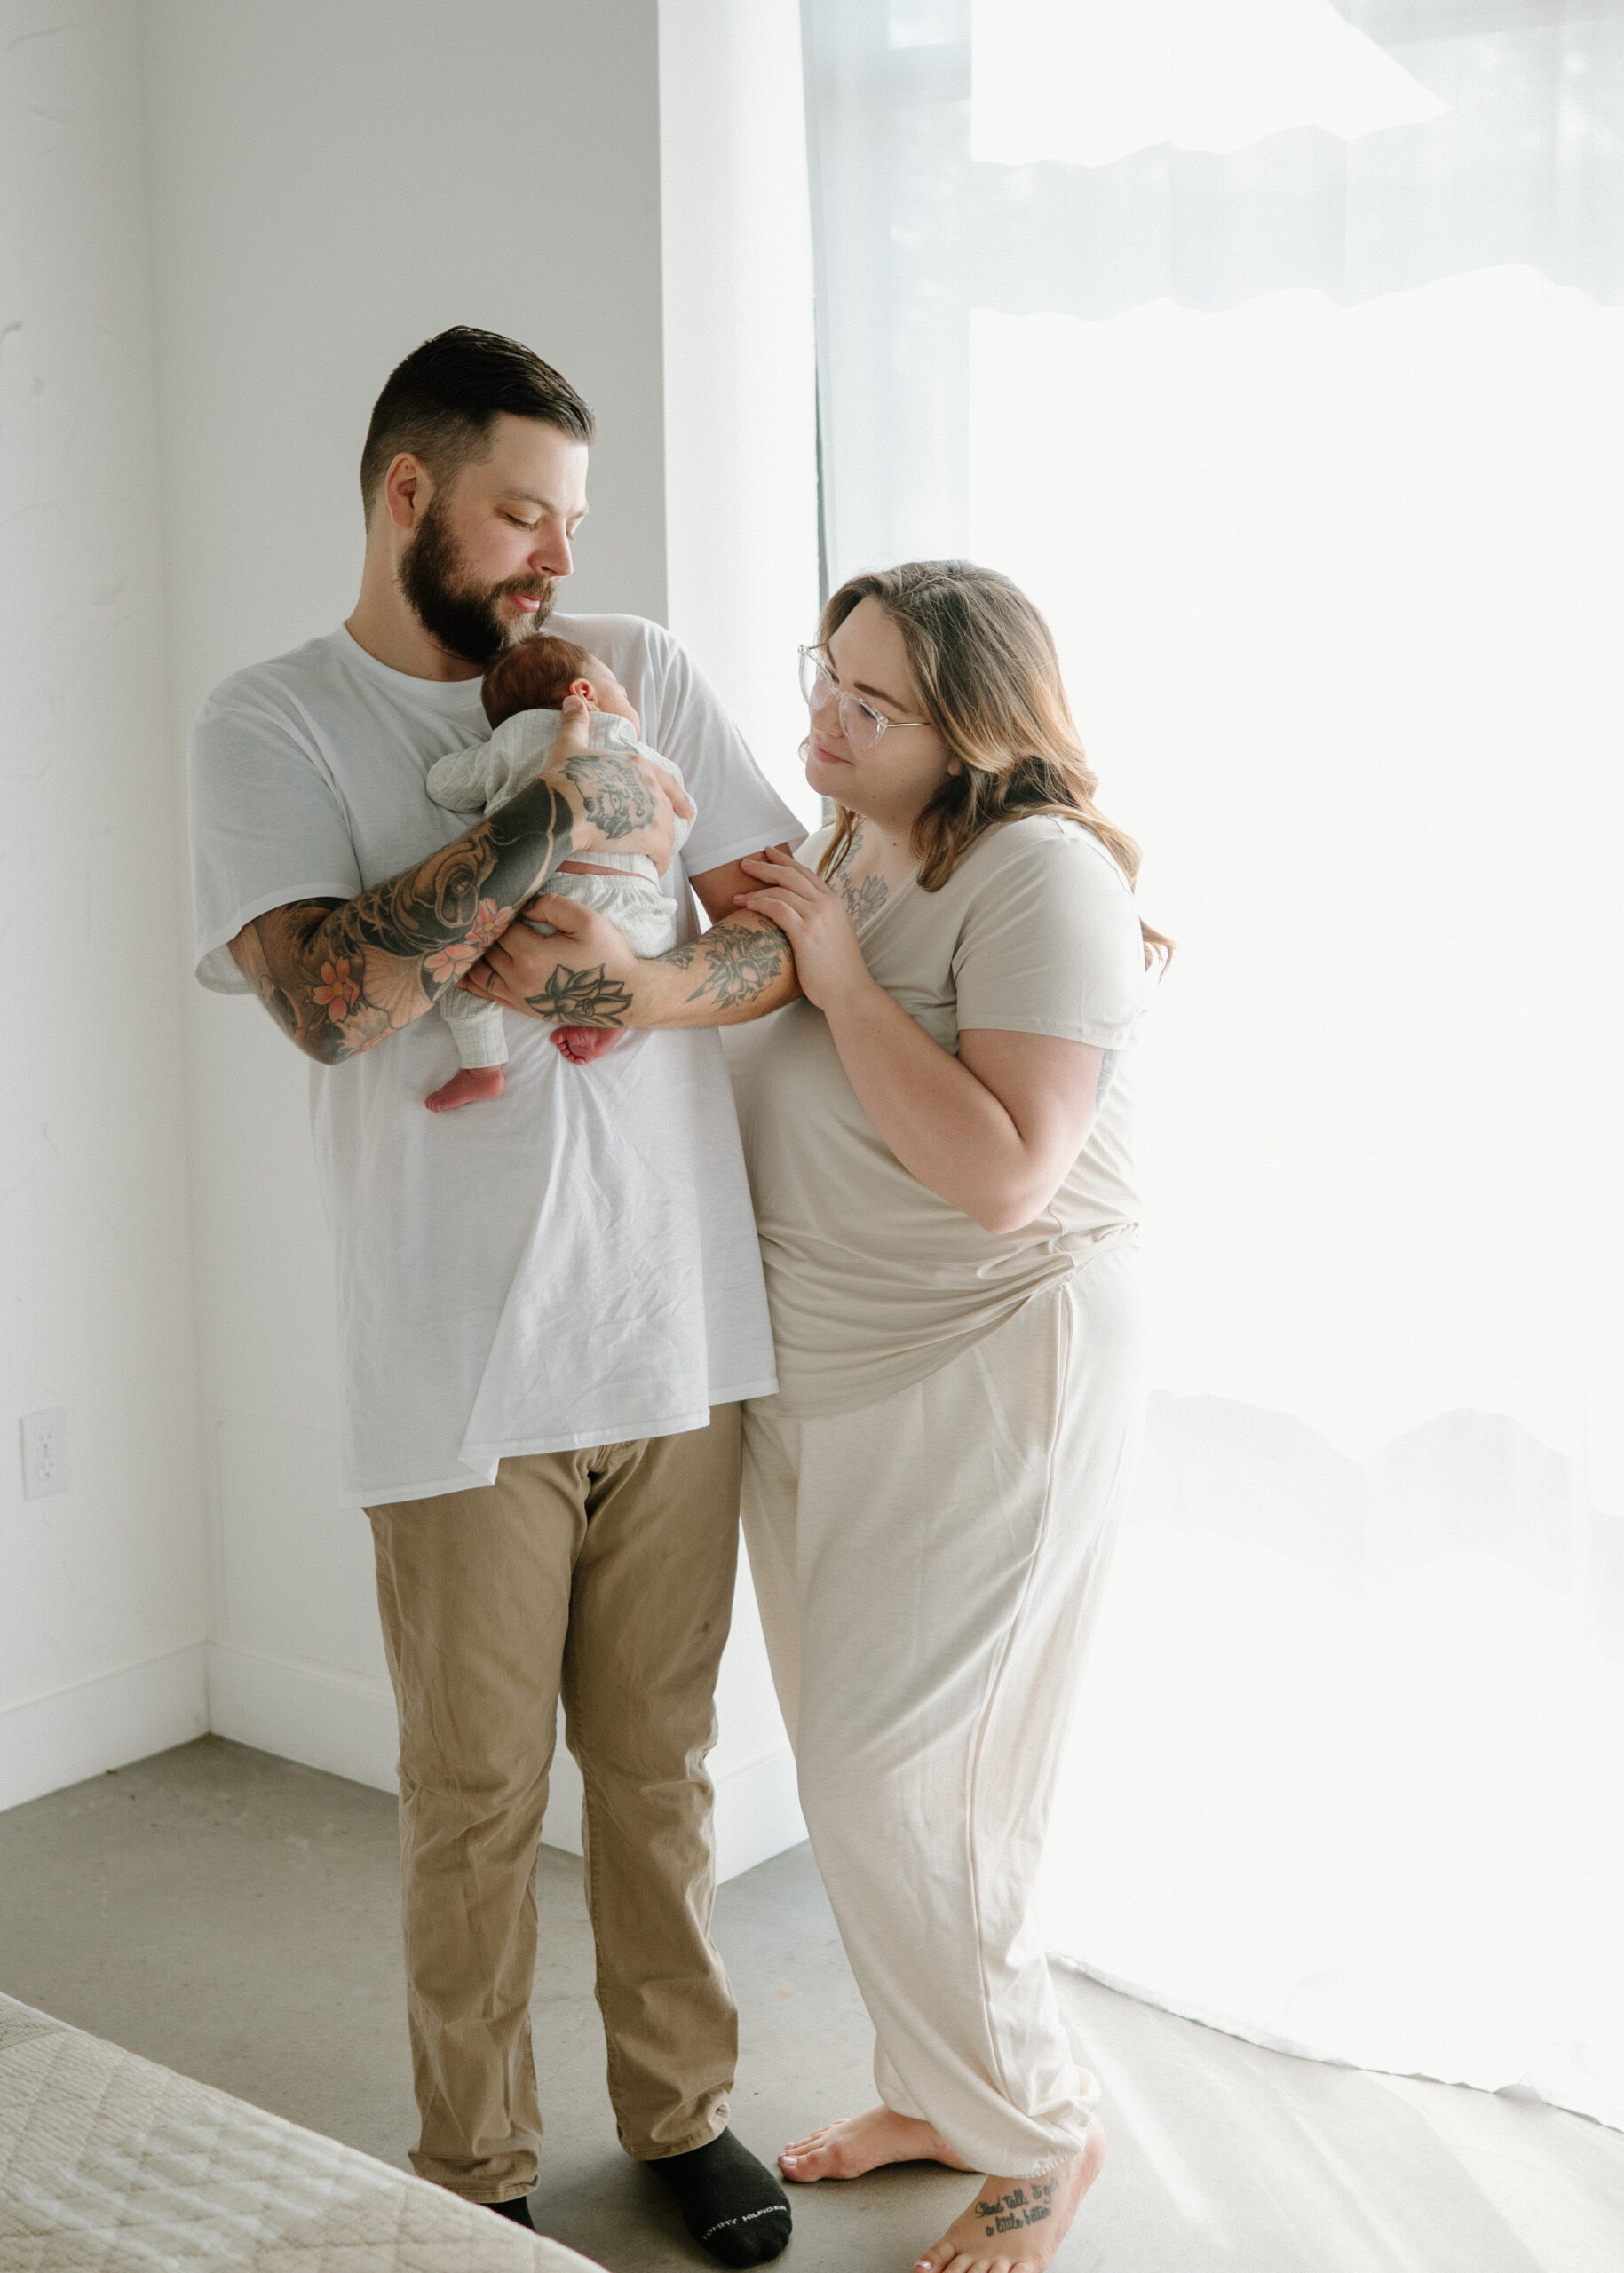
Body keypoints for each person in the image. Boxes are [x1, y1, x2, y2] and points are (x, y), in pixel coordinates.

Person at [186, 326, 806, 2262]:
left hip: (672, 1320)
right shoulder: (268, 721)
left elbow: (789, 933)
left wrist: (616, 984)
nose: (549, 556)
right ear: (406, 494)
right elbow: (323, 1002)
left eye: (570, 517)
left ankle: (679, 2108)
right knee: (469, 1791)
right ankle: (474, 2168)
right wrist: (549, 812)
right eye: (517, 511)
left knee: (661, 1766)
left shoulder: (646, 662)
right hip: (452, 1357)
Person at [725, 563, 1168, 2273]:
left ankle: (1035, 2133)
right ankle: (938, 2083)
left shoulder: (1036, 873)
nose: (819, 719)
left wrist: (835, 982)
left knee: (916, 1785)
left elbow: (1002, 1177)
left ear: (969, 727)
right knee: (873, 1782)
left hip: (994, 1356)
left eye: (867, 702)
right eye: (821, 677)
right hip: (836, 1360)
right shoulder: (857, 839)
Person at [424, 631, 695, 1103]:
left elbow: (446, 787)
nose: (632, 704)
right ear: (584, 693)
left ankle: (483, 1066)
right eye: (623, 692)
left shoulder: (512, 740)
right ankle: (617, 1019)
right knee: (648, 969)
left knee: (461, 975)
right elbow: (682, 820)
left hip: (540, 905)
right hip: (641, 920)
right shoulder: (648, 759)